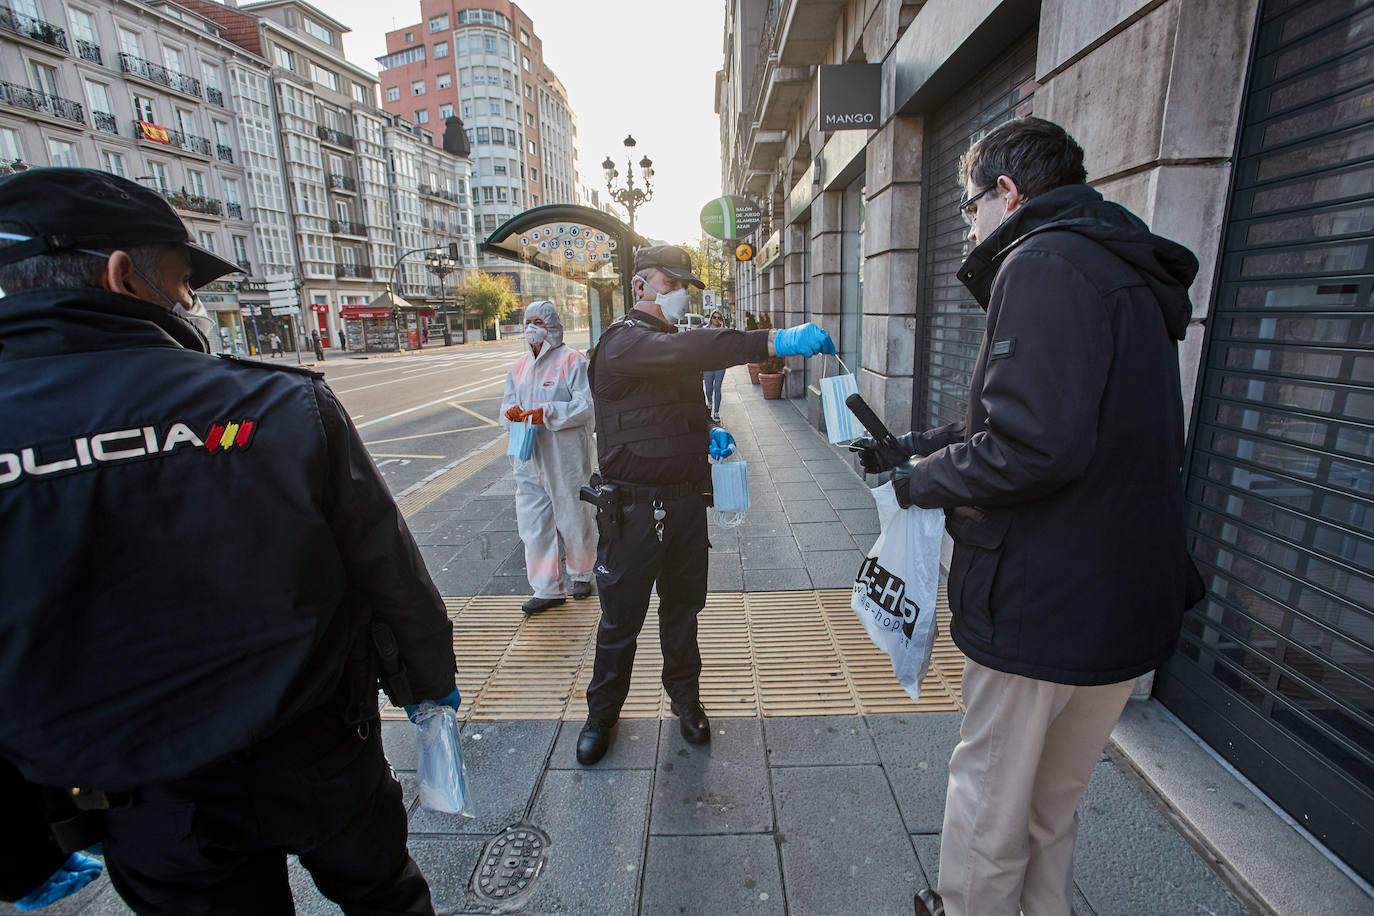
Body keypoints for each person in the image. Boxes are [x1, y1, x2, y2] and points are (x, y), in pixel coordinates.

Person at [0, 167, 459, 914]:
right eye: (184, 283)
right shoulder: (277, 403)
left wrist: (19, 846)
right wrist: (430, 684)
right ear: (123, 275)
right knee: (384, 897)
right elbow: (386, 568)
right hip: (318, 748)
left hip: (141, 795)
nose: (190, 304)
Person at [850, 118, 1203, 916]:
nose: (968, 226)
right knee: (1052, 802)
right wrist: (915, 445)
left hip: (1047, 598)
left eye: (970, 206)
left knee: (989, 792)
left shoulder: (1041, 262)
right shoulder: (1120, 265)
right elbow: (1045, 420)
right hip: (1123, 600)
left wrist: (919, 482)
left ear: (1008, 192)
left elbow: (1029, 447)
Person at [576, 244, 835, 765]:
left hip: (685, 507)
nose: (674, 295)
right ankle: (601, 714)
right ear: (640, 288)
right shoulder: (624, 344)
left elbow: (681, 407)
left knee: (683, 613)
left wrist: (709, 430)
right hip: (630, 512)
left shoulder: (668, 345)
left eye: (680, 288)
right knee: (620, 621)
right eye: (667, 286)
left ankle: (686, 701)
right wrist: (771, 339)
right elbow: (688, 352)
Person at [500, 299, 597, 615]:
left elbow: (587, 405)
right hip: (527, 456)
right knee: (533, 522)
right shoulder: (518, 367)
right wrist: (512, 414)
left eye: (538, 322)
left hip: (564, 455)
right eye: (528, 321)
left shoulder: (572, 361)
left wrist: (549, 413)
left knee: (573, 514)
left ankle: (582, 573)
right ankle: (547, 588)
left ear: (553, 326)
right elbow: (506, 407)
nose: (532, 328)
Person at [700, 309, 727, 421]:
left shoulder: (724, 331)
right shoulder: (705, 330)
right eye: (714, 317)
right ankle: (709, 402)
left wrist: (721, 329)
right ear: (711, 318)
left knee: (717, 387)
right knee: (708, 389)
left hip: (720, 364)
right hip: (708, 363)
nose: (716, 320)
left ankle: (716, 412)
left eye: (719, 318)